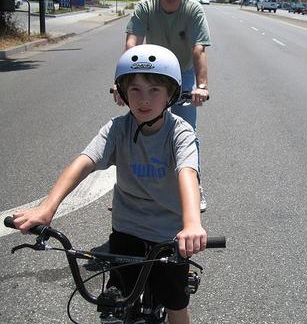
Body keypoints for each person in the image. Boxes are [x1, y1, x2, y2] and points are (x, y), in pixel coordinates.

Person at [12, 44, 207, 324]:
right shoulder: (117, 128)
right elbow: (84, 162)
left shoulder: (180, 132)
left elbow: (187, 173)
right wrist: (46, 208)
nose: (144, 100)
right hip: (127, 228)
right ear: (124, 93)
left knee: (176, 303)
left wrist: (191, 224)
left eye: (154, 90)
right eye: (135, 89)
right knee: (115, 305)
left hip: (170, 234)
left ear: (171, 94)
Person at [113, 0, 211, 211]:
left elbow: (199, 48)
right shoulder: (146, 7)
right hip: (153, 71)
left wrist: (202, 86)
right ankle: (132, 188)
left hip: (184, 71)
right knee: (142, 124)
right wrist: (122, 81)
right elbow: (132, 43)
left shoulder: (193, 9)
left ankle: (195, 186)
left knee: (187, 130)